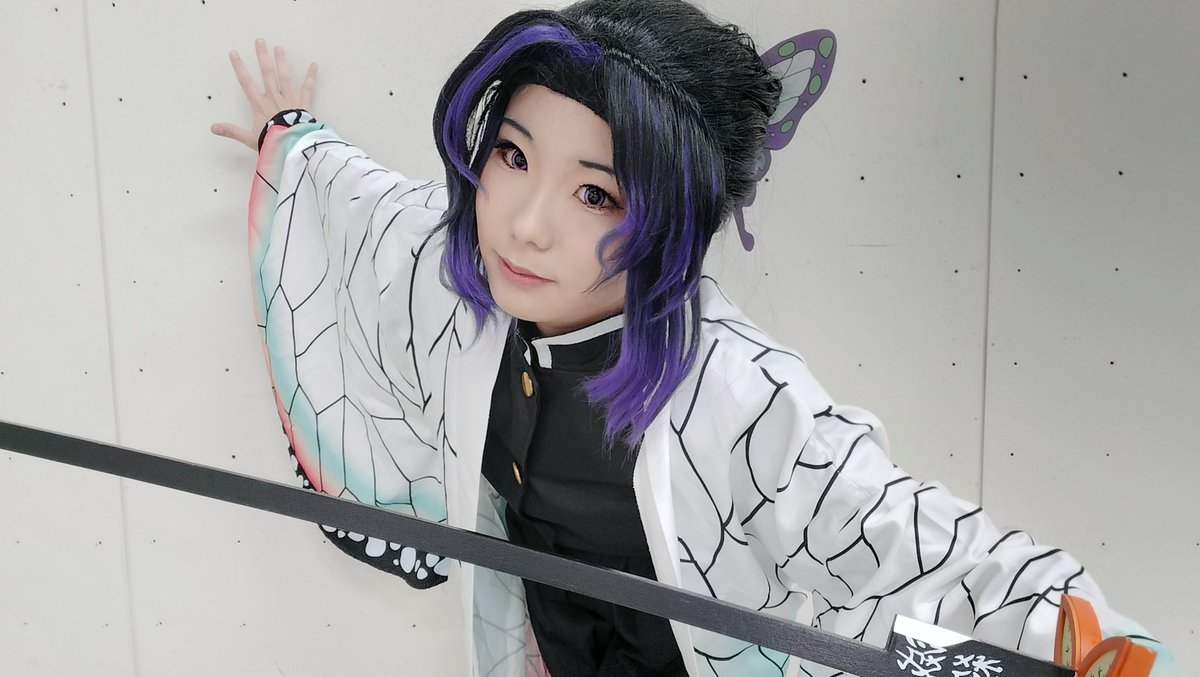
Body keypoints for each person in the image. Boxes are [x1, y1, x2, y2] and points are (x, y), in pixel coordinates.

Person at [211, 1, 1176, 675]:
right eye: (512, 154)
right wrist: (293, 140)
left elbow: (900, 532)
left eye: (596, 193)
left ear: (669, 220)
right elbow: (372, 209)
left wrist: (1085, 636)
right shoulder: (462, 272)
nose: (525, 224)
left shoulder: (737, 391)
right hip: (547, 644)